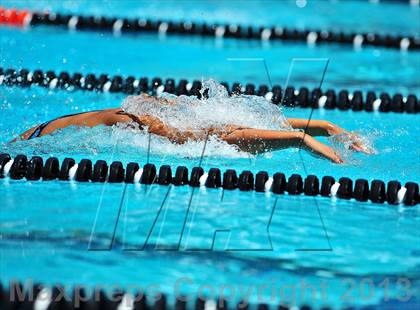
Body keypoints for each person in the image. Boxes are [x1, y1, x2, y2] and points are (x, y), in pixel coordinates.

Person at [14, 94, 372, 163]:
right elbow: (225, 133)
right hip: (38, 135)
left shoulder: (150, 119)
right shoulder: (158, 118)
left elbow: (228, 132)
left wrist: (316, 130)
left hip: (39, 133)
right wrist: (309, 133)